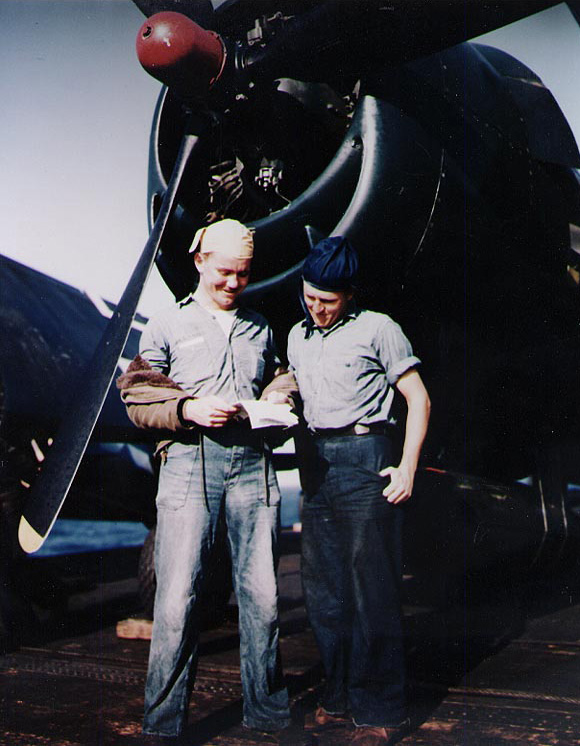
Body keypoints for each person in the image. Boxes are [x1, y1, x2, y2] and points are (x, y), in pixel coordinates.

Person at [117, 219, 293, 741]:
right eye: (224, 272)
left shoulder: (260, 326)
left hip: (252, 469)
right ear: (199, 262)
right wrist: (188, 407)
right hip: (190, 467)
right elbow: (136, 394)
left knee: (263, 597)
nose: (233, 284)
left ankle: (267, 715)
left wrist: (282, 394)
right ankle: (163, 725)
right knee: (176, 600)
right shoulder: (167, 324)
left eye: (242, 274)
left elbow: (280, 374)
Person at [288, 236, 431, 746]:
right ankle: (340, 695)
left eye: (327, 301)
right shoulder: (297, 336)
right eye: (310, 298)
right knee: (324, 594)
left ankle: (382, 712)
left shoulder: (379, 329)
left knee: (373, 590)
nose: (317, 309)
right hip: (317, 467)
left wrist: (407, 466)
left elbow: (418, 398)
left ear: (349, 294)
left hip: (367, 457)